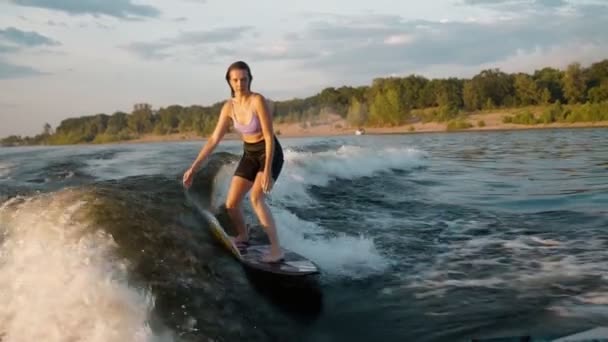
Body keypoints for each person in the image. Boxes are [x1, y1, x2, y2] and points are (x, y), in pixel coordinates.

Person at [182, 61, 285, 263]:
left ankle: (276, 249)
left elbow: (269, 136)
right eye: (235, 79)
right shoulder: (229, 107)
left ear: (250, 79)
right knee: (231, 204)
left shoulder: (257, 101)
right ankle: (243, 236)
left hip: (270, 152)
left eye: (244, 79)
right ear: (229, 81)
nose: (240, 83)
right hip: (250, 153)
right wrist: (193, 168)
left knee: (256, 198)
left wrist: (268, 170)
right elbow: (213, 140)